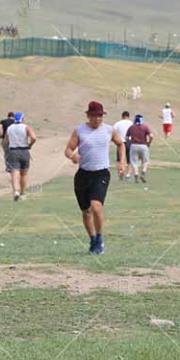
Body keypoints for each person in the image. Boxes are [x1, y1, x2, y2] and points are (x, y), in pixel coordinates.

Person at [64, 101, 127, 254]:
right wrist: (72, 156)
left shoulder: (109, 130)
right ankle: (92, 239)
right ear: (88, 116)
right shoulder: (79, 130)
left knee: (96, 206)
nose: (97, 119)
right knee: (86, 211)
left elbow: (121, 144)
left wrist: (122, 161)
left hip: (101, 173)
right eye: (94, 116)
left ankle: (99, 239)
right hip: (83, 175)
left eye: (100, 116)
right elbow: (68, 149)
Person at [6, 112, 36, 201]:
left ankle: (16, 191)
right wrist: (30, 145)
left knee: (14, 172)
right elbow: (34, 137)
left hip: (13, 151)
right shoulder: (26, 127)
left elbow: (6, 141)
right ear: (22, 119)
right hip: (24, 150)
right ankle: (23, 193)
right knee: (24, 174)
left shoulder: (10, 128)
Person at [125, 113, 154, 183]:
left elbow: (126, 137)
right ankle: (143, 173)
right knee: (145, 161)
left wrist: (130, 141)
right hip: (143, 145)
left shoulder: (131, 127)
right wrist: (149, 142)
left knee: (134, 162)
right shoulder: (145, 127)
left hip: (134, 145)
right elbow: (151, 136)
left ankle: (136, 175)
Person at [113, 111, 134, 181]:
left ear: (122, 116)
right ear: (128, 116)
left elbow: (113, 132)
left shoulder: (118, 123)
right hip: (129, 142)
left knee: (119, 160)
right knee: (129, 160)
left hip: (120, 142)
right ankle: (128, 174)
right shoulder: (132, 123)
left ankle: (121, 172)